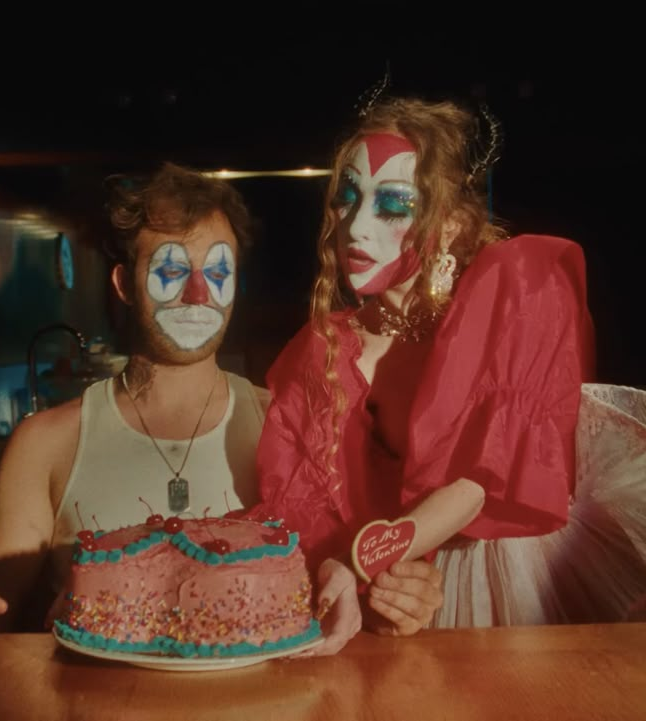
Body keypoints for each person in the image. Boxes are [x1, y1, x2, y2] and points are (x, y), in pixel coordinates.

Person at [0, 161, 444, 662]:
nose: (197, 293)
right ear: (122, 284)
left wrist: (395, 601)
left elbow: (340, 598)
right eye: (170, 268)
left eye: (217, 271)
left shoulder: (290, 425)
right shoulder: (45, 443)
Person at [252, 96, 646, 638]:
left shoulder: (517, 289)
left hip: (514, 557)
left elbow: (487, 475)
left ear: (453, 226)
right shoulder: (321, 351)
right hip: (412, 577)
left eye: (392, 205)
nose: (356, 226)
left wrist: (376, 556)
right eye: (347, 197)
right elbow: (315, 509)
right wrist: (367, 583)